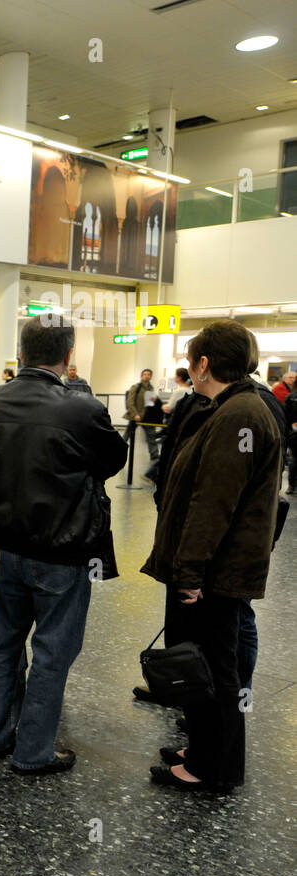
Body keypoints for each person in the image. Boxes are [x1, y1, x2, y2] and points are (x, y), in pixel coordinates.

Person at [0, 317, 127, 774]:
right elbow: (113, 460)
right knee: (52, 652)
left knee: (0, 643)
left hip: (4, 545)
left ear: (21, 352)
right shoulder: (81, 409)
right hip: (62, 548)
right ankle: (34, 751)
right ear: (68, 355)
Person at [143, 320, 280, 794]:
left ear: (204, 363)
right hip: (215, 568)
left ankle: (213, 767)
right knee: (201, 666)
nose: (189, 367)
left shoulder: (239, 414)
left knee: (215, 672)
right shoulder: (232, 407)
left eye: (191, 358)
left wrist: (191, 572)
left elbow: (212, 503)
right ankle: (202, 749)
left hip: (216, 573)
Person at [125, 368, 157, 461]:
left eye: (148, 374)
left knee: (151, 435)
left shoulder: (151, 388)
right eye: (145, 374)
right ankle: (118, 449)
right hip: (136, 415)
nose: (146, 376)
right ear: (141, 376)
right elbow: (130, 401)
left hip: (146, 416)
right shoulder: (136, 387)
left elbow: (150, 403)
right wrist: (135, 414)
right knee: (127, 434)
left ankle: (154, 454)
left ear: (151, 376)